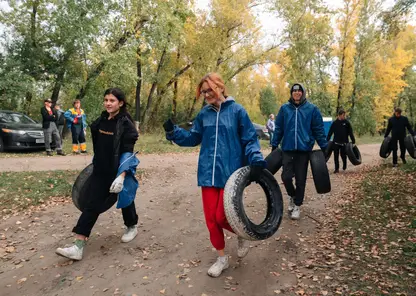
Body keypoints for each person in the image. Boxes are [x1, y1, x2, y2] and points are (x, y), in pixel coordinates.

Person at [163, 73, 266, 278]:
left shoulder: (237, 111)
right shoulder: (204, 114)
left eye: (209, 90)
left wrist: (255, 157)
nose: (207, 94)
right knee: (211, 220)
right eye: (203, 92)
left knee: (221, 216)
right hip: (208, 173)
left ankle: (241, 233)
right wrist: (174, 132)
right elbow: (193, 138)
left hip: (231, 173)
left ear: (220, 86)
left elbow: (249, 138)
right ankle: (222, 258)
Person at [56, 88, 139, 261]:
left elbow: (127, 153)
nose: (108, 103)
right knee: (92, 205)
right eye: (106, 100)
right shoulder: (101, 120)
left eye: (112, 100)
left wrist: (122, 176)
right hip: (99, 170)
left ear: (120, 103)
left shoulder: (125, 125)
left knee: (124, 199)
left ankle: (131, 226)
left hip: (117, 171)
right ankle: (78, 247)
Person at [272, 83, 327, 220]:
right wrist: (274, 144)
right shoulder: (285, 109)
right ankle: (293, 196)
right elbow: (278, 128)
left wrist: (324, 146)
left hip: (303, 151)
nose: (296, 92)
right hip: (288, 149)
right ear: (291, 93)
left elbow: (318, 129)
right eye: (294, 90)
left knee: (301, 180)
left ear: (303, 92)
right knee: (285, 177)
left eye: (299, 90)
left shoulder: (312, 109)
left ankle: (297, 205)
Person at [326, 109, 356, 173]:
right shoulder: (334, 123)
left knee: (343, 155)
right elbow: (330, 132)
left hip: (344, 142)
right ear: (339, 115)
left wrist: (353, 141)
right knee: (335, 156)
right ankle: (336, 169)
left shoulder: (347, 123)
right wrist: (327, 141)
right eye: (343, 115)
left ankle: (344, 164)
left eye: (344, 115)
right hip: (336, 142)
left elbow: (350, 133)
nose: (344, 116)